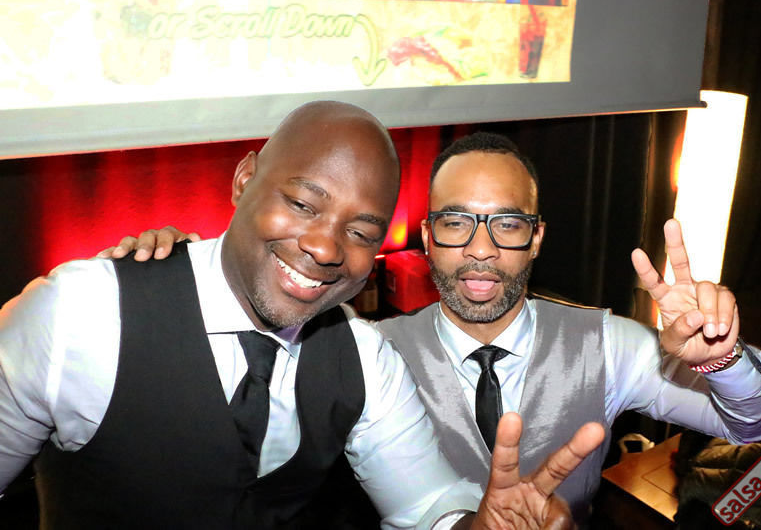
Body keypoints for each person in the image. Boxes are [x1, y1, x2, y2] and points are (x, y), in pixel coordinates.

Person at [102, 131, 761, 526]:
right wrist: (182, 273)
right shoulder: (363, 357)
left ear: (536, 237)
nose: (481, 250)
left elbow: (759, 425)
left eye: (507, 224)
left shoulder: (607, 344)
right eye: (457, 222)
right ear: (428, 236)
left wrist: (721, 357)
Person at [0, 105, 606, 529]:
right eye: (301, 203)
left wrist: (478, 526)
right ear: (245, 179)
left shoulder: (364, 359)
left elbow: (427, 503)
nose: (324, 246)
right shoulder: (83, 314)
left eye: (361, 232)